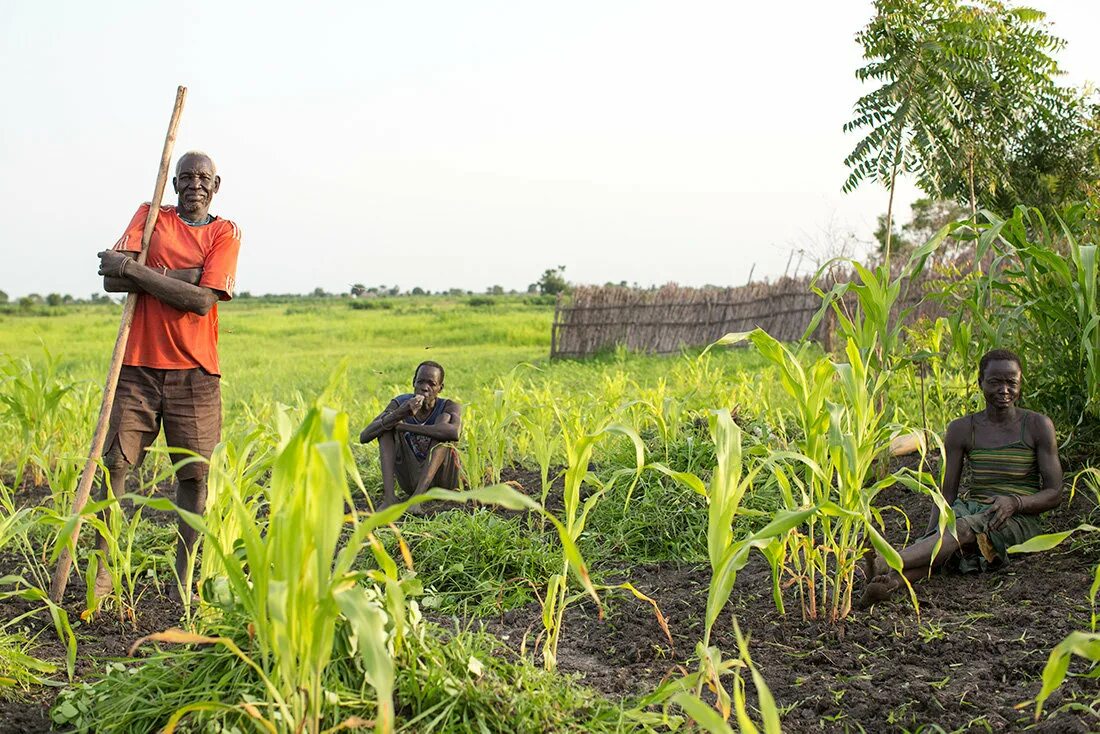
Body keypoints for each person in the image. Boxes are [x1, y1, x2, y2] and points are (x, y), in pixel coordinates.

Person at [95, 151, 241, 603]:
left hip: (195, 374)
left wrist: (137, 270)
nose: (195, 183)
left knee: (194, 475)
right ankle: (103, 573)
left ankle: (183, 576)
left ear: (216, 185)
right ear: (174, 183)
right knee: (115, 464)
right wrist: (181, 278)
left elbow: (201, 301)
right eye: (186, 177)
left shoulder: (225, 231)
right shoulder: (151, 214)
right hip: (137, 366)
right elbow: (109, 277)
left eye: (204, 177)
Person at [861, 348, 1063, 606]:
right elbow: (946, 493)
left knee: (964, 529)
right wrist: (929, 536)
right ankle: (892, 583)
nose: (1004, 389)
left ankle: (886, 562)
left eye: (1011, 382)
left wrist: (1016, 502)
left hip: (1018, 519)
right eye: (995, 382)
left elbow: (1055, 492)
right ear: (980, 382)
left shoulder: (1037, 425)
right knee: (954, 541)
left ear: (1020, 383)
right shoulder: (962, 429)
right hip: (973, 509)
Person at [359, 361, 463, 508]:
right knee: (386, 428)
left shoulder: (449, 406)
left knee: (443, 428)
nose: (424, 388)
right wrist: (400, 413)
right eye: (420, 382)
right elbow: (365, 436)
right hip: (411, 479)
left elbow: (453, 433)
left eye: (432, 384)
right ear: (414, 383)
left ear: (440, 388)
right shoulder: (401, 403)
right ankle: (389, 499)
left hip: (443, 482)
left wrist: (403, 426)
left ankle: (417, 499)